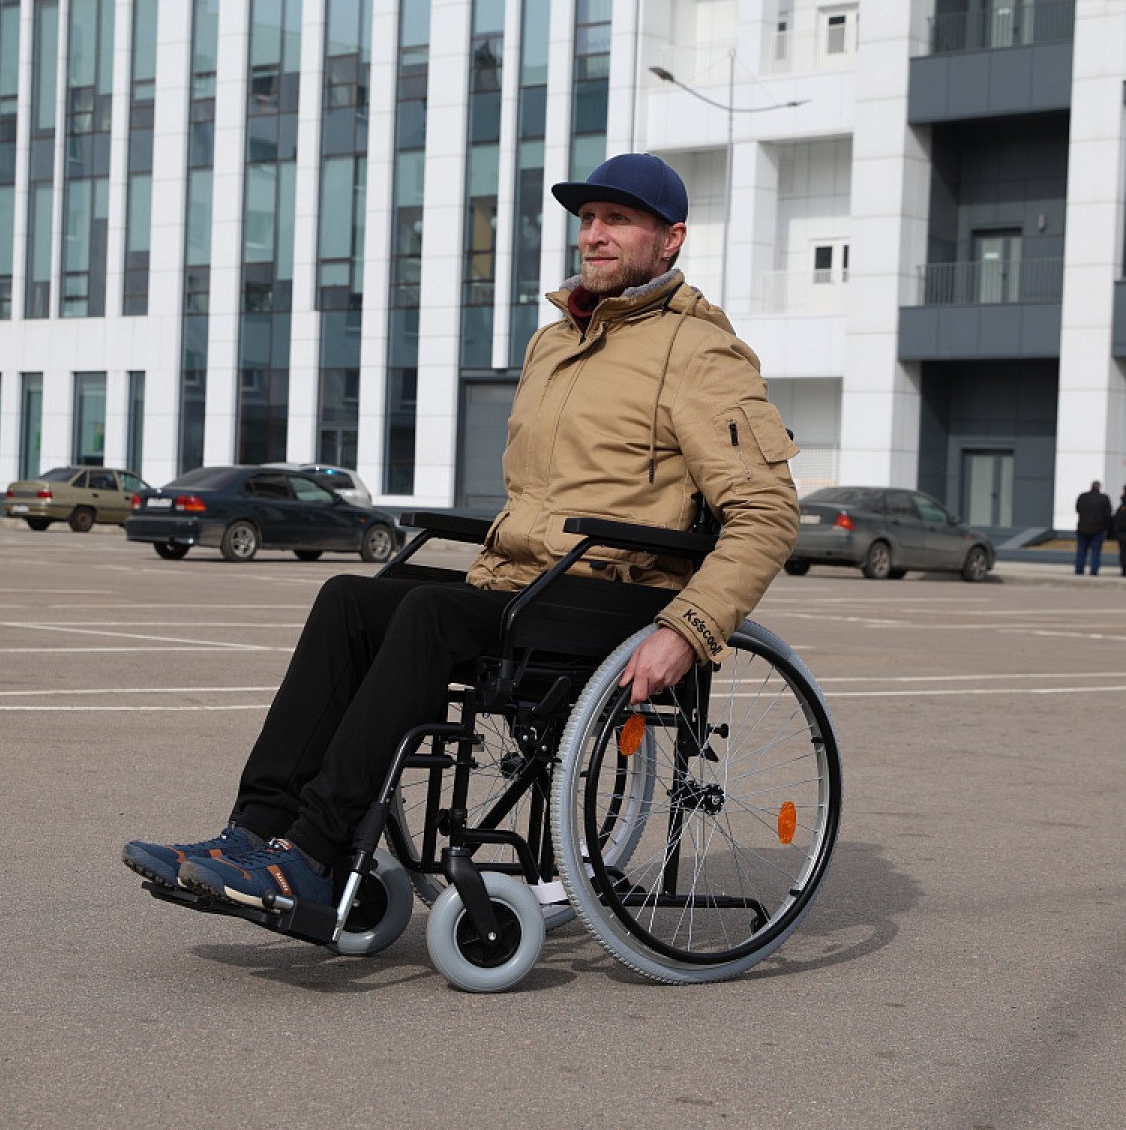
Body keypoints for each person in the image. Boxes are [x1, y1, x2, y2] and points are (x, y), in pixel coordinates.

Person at [122, 153, 800, 914]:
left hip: (620, 593)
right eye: (587, 219)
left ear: (670, 239)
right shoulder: (555, 344)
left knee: (430, 614)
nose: (594, 234)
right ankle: (255, 834)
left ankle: (315, 854)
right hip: (531, 586)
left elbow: (767, 512)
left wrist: (688, 628)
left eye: (618, 219)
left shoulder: (700, 353)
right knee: (348, 600)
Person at [1074, 480, 1113, 576]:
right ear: (1099, 487)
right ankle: (1094, 571)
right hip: (1098, 529)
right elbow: (1108, 513)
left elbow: (1078, 509)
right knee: (1096, 552)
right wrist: (1106, 527)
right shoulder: (1104, 498)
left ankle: (1079, 570)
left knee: (1081, 551)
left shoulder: (1082, 496)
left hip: (1083, 528)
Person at [1112, 486, 1126, 578]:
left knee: (1124, 554)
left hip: (1123, 535)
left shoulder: (1122, 507)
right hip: (1122, 534)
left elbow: (1118, 521)